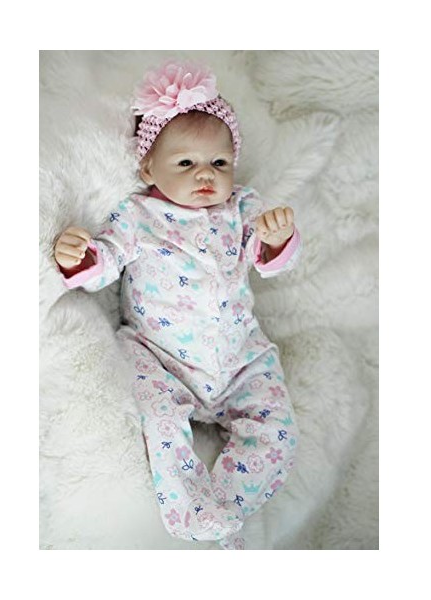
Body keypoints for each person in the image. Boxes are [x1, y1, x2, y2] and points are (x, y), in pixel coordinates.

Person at [53, 62, 301, 549]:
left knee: (279, 433)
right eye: (185, 163)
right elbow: (108, 260)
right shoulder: (139, 214)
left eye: (219, 163)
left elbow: (266, 258)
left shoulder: (242, 208)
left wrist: (276, 238)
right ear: (149, 168)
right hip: (162, 359)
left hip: (241, 361)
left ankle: (223, 507)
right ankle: (189, 511)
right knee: (161, 422)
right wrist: (80, 256)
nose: (205, 174)